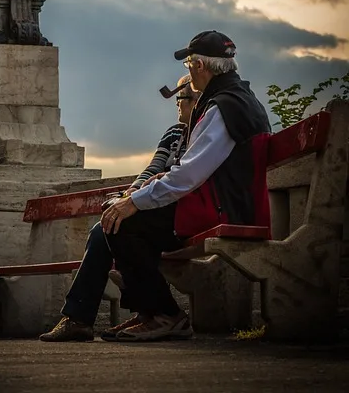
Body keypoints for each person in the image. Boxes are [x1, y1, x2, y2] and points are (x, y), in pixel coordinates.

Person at [99, 30, 272, 342]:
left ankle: (165, 315)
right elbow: (195, 168)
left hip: (223, 209)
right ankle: (150, 313)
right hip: (228, 202)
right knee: (126, 219)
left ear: (201, 66)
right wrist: (151, 188)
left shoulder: (222, 107)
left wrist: (134, 201)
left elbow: (188, 175)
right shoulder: (236, 99)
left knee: (123, 222)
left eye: (189, 63)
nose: (188, 70)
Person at [39, 75, 199, 342]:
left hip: (175, 216)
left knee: (118, 226)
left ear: (196, 100)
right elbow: (153, 168)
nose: (177, 105)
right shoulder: (173, 133)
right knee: (104, 227)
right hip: (153, 209)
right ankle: (79, 319)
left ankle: (159, 313)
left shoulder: (204, 133)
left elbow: (183, 177)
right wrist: (130, 193)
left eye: (181, 98)